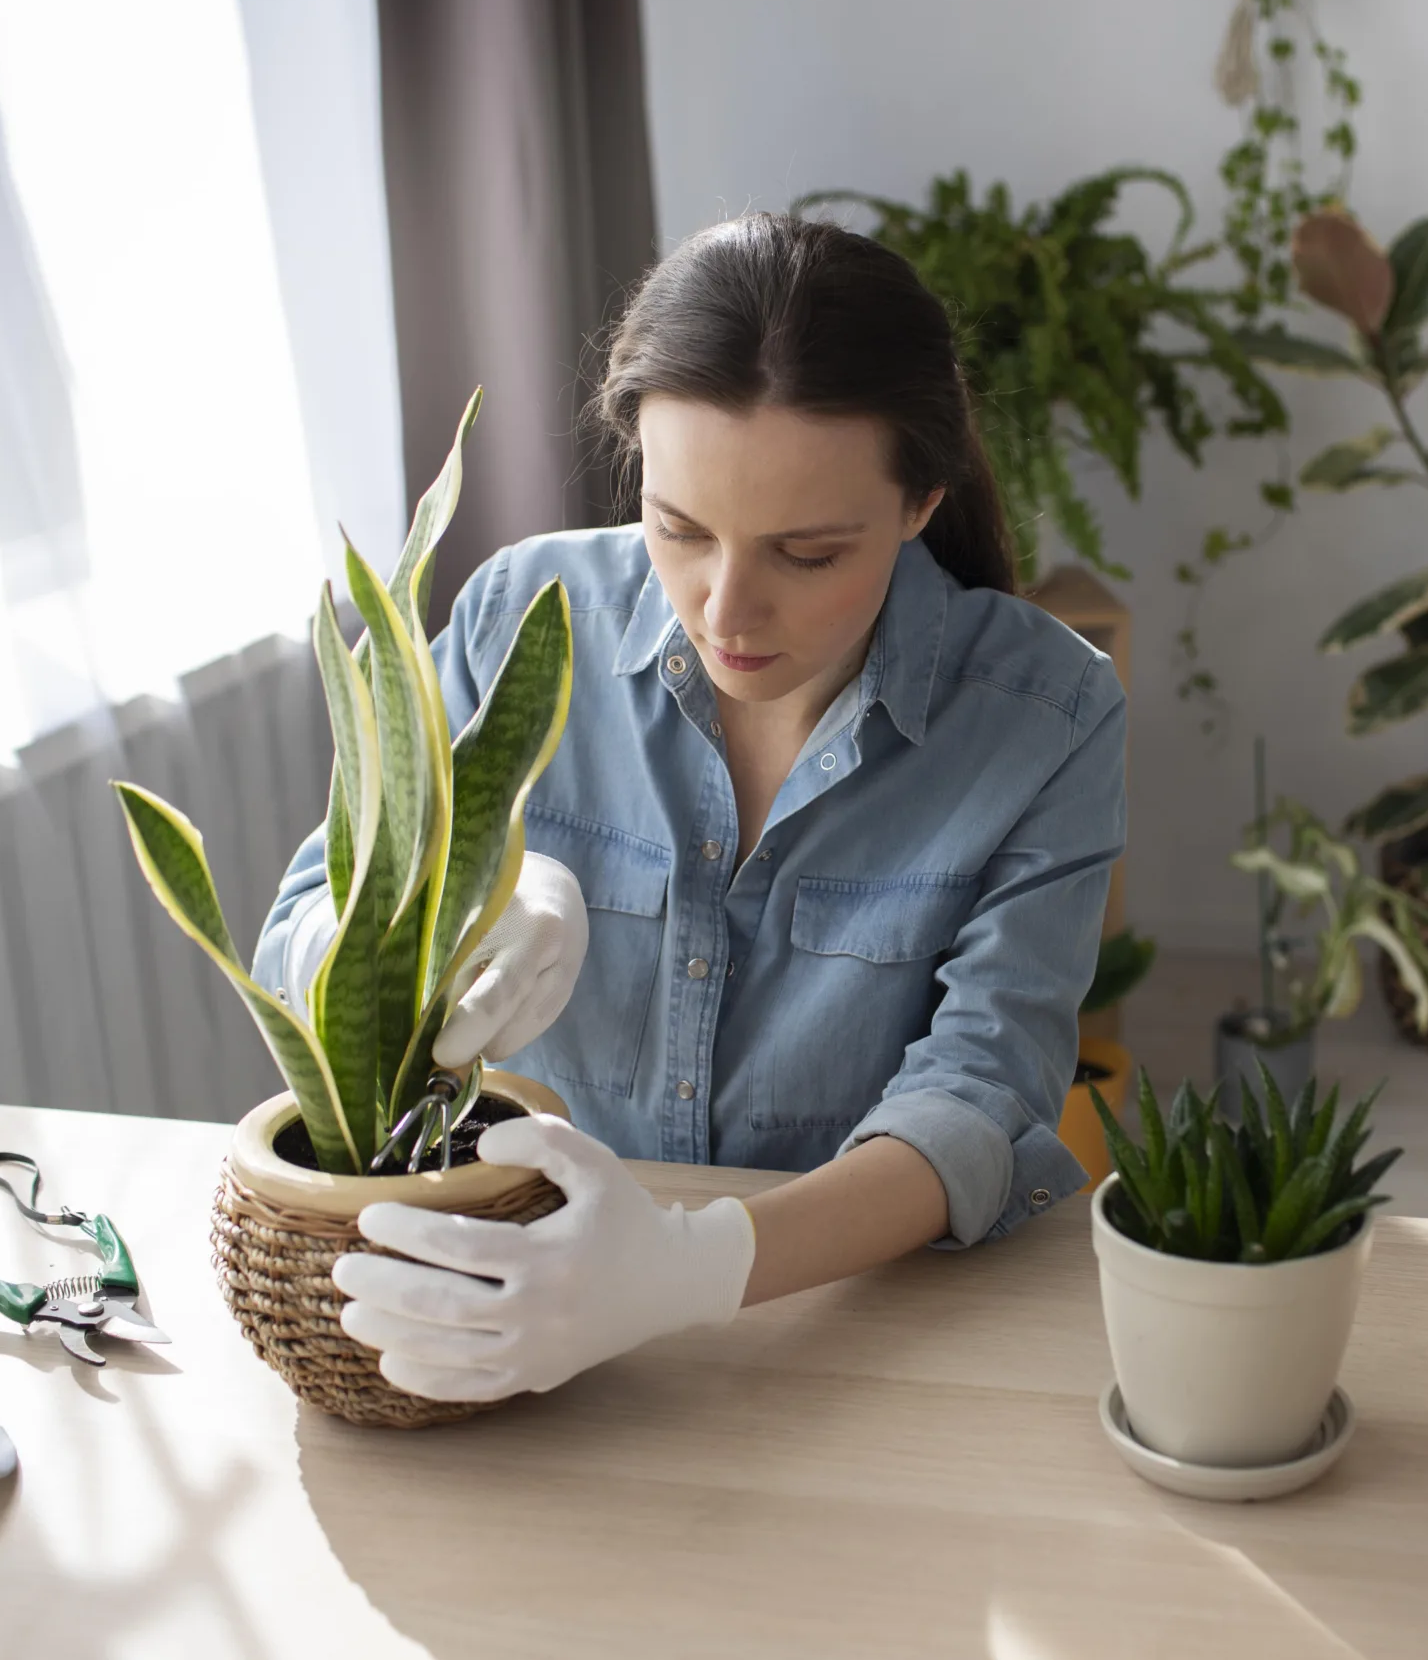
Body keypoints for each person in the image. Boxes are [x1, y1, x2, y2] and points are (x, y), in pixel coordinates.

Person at [251, 213, 1125, 1405]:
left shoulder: (1047, 713)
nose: (726, 612)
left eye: (807, 553)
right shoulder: (524, 620)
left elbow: (981, 1088)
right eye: (679, 529)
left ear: (922, 500)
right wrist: (451, 926)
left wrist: (686, 1269)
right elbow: (310, 918)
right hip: (509, 1328)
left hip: (856, 1347)